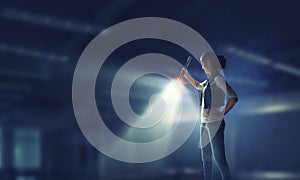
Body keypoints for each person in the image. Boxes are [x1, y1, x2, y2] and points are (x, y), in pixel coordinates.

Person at [181, 52, 238, 180]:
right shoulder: (208, 81)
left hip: (215, 124)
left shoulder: (218, 79)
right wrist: (186, 75)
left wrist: (221, 112)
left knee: (219, 160)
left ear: (211, 63)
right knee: (206, 160)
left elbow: (233, 97)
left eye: (204, 63)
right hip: (204, 124)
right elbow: (198, 86)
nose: (202, 66)